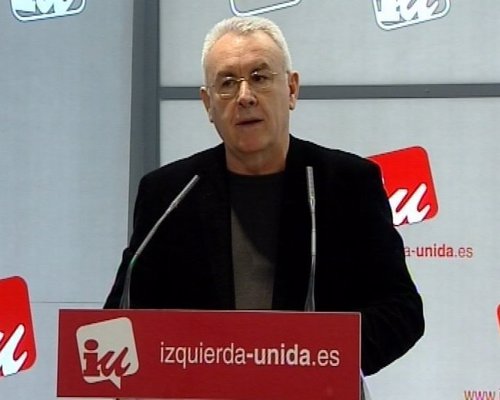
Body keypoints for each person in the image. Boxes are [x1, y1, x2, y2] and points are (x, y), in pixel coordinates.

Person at [104, 16, 424, 377]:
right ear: (208, 104)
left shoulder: (347, 183)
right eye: (227, 83)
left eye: (259, 77)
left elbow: (402, 310)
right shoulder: (169, 192)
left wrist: (318, 356)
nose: (245, 97)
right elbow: (122, 313)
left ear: (291, 89)